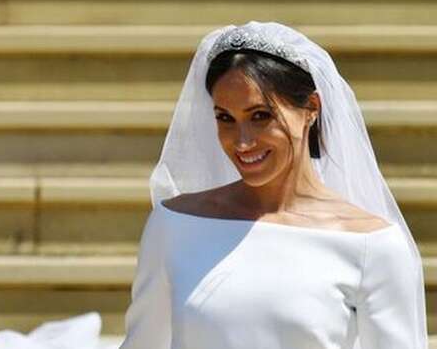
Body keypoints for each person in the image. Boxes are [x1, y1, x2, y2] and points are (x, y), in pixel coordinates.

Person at [120, 22, 427, 349]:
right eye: (225, 118)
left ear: (311, 108)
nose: (242, 141)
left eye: (260, 116)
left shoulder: (374, 246)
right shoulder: (174, 226)